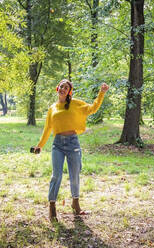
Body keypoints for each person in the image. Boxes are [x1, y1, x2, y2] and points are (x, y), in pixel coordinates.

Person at [33, 79, 109, 222]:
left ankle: (75, 203)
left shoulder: (76, 104)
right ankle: (52, 206)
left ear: (69, 91)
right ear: (57, 88)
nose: (63, 88)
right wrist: (40, 145)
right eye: (61, 86)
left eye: (66, 87)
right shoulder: (52, 108)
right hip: (58, 145)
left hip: (73, 143)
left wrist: (101, 93)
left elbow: (92, 108)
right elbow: (47, 129)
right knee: (56, 175)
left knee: (75, 174)